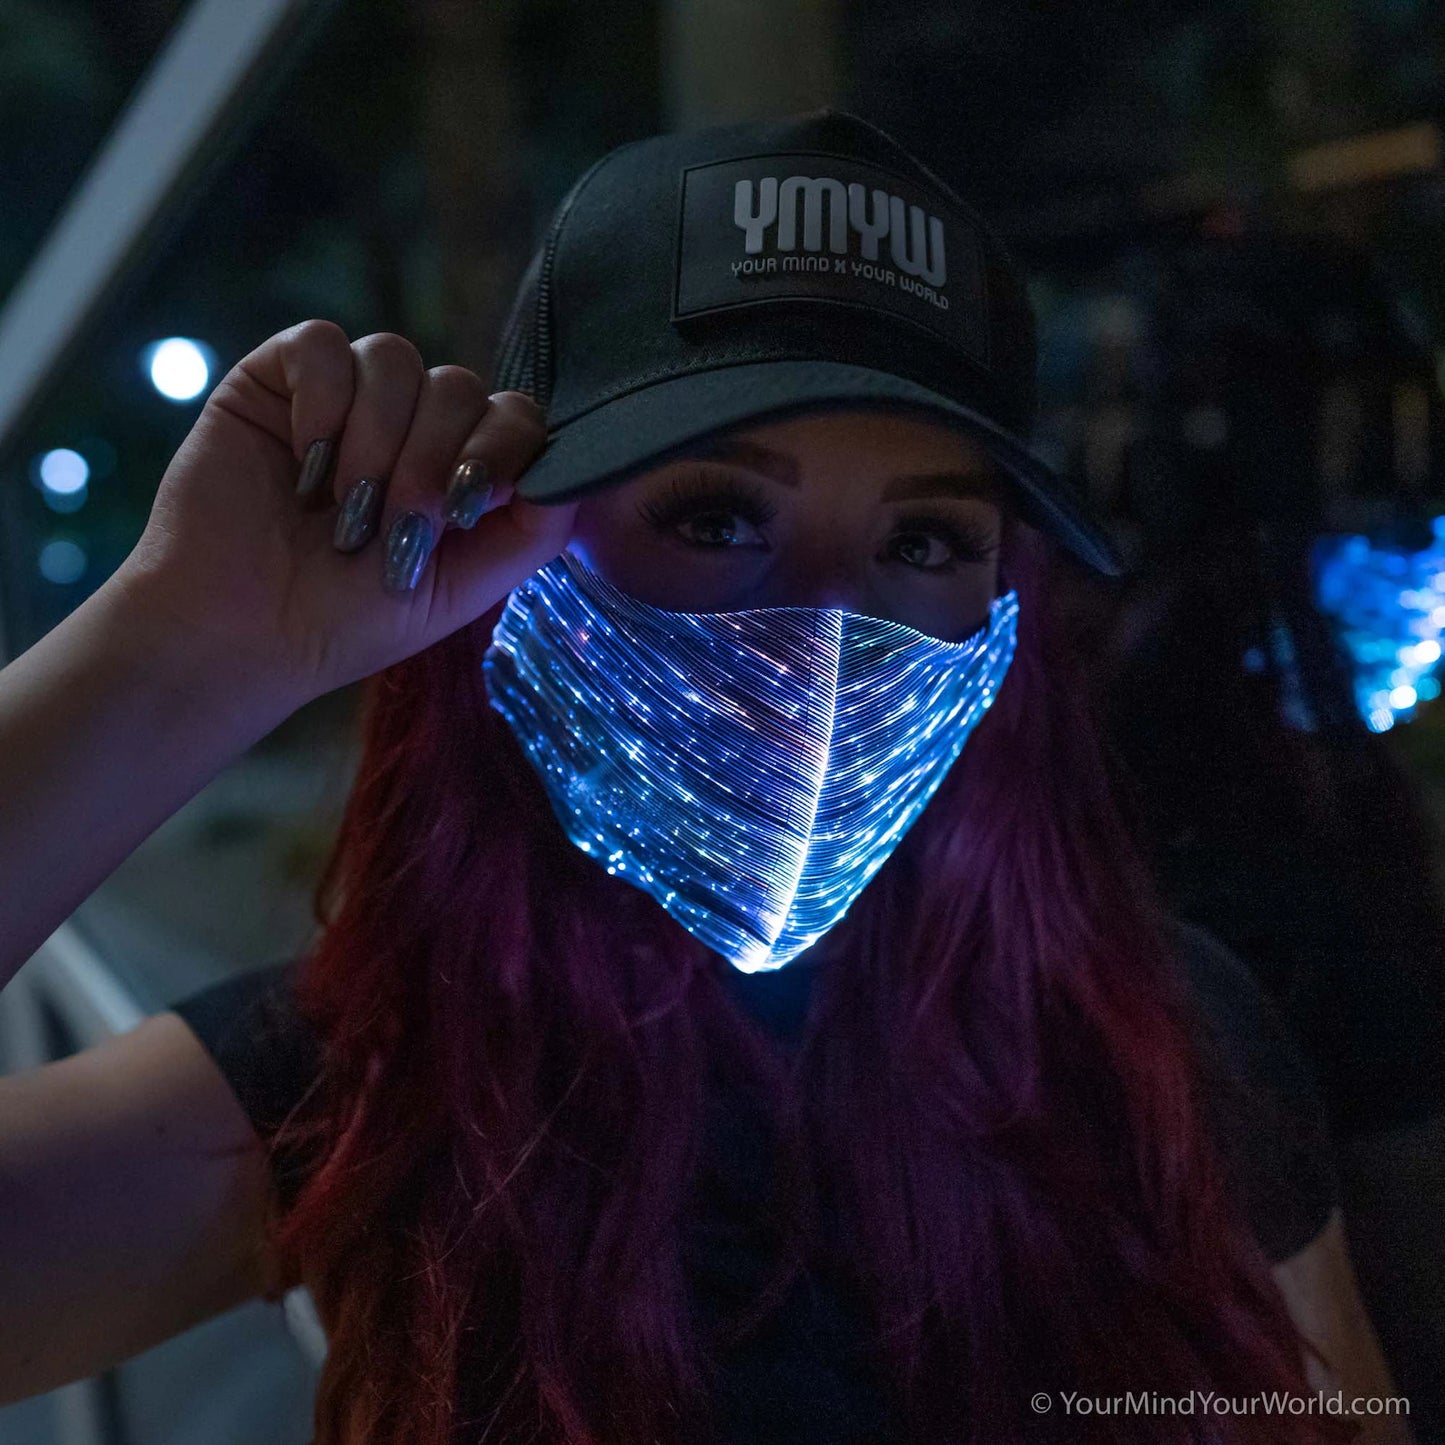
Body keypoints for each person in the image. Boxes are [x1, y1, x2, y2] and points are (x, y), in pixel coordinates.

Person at [0, 110, 1413, 1444]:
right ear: (522, 553)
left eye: (924, 541)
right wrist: (182, 649)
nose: (821, 644)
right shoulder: (383, 1071)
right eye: (718, 515)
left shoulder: (1159, 1048)